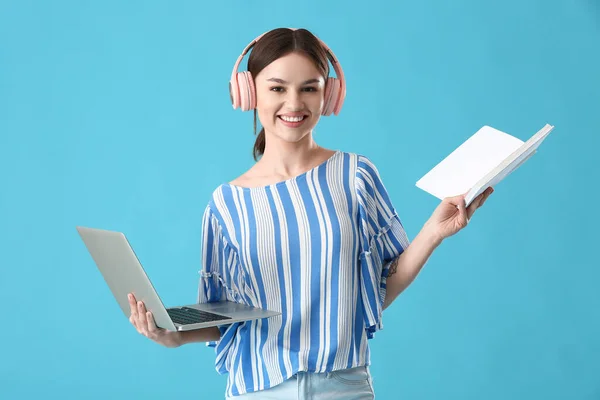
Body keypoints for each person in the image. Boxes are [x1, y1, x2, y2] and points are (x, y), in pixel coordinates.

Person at [126, 27, 494, 399]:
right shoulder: (226, 203)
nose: (294, 103)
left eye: (309, 88)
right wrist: (173, 335)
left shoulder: (355, 175)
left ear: (329, 94)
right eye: (277, 88)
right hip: (259, 391)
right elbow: (225, 316)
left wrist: (433, 231)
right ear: (249, 92)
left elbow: (377, 289)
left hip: (344, 387)